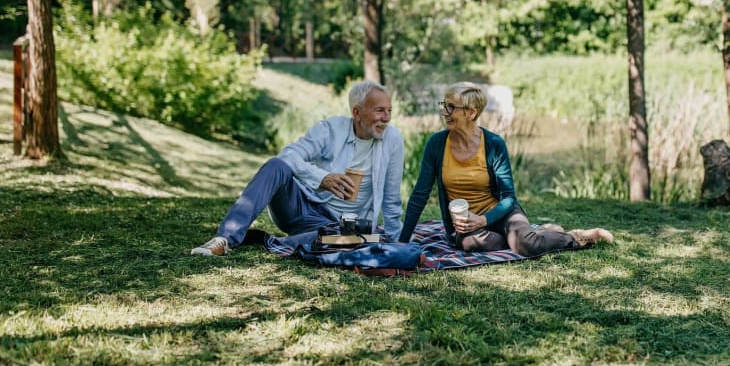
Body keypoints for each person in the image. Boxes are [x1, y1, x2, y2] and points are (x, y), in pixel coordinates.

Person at [191, 80, 404, 256]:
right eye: (379, 111)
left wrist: (398, 241)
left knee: (356, 238)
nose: (386, 118)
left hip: (342, 227)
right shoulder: (330, 129)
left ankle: (284, 242)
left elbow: (391, 198)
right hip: (302, 207)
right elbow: (289, 155)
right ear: (357, 113)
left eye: (389, 111)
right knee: (276, 165)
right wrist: (323, 178)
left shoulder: (393, 139)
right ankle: (224, 239)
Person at [398, 82, 613, 255]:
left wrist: (483, 220)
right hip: (466, 226)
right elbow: (420, 194)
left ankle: (575, 237)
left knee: (527, 247)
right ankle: (532, 234)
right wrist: (403, 239)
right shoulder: (436, 144)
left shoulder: (493, 144)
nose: (444, 112)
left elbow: (508, 197)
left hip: (501, 213)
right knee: (470, 243)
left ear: (471, 113)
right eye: (443, 105)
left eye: (451, 107)